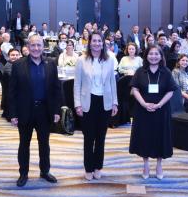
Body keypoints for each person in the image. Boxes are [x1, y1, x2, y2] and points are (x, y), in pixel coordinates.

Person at [8, 34, 61, 187]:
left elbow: (56, 89)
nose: (36, 48)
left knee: (44, 144)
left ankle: (45, 171)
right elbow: (12, 91)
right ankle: (23, 173)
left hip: (45, 111)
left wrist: (56, 110)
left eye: (39, 45)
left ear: (43, 46)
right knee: (24, 144)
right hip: (25, 111)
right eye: (33, 45)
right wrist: (13, 114)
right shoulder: (18, 65)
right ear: (28, 47)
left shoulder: (51, 63)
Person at [74, 33, 118, 181]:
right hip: (88, 102)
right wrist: (77, 104)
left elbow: (112, 82)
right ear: (90, 42)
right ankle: (88, 167)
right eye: (94, 41)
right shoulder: (81, 60)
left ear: (103, 43)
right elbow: (77, 84)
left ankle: (98, 166)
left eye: (99, 41)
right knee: (89, 137)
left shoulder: (109, 60)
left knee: (101, 138)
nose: (97, 43)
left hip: (104, 102)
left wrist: (115, 102)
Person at [129, 45, 176, 179]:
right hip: (143, 111)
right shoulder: (140, 71)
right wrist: (144, 104)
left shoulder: (166, 71)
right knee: (145, 137)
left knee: (160, 136)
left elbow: (171, 90)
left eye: (156, 54)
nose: (153, 56)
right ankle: (145, 164)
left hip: (161, 110)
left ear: (161, 56)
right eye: (151, 54)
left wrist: (160, 104)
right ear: (146, 56)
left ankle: (159, 164)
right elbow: (135, 90)